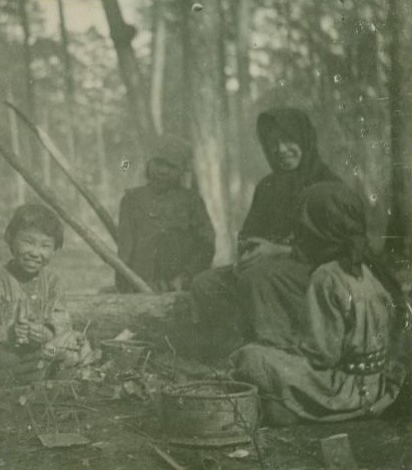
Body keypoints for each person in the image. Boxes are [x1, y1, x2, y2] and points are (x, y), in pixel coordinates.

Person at [231, 182, 409, 425]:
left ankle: (296, 409)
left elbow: (321, 356)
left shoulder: (325, 277)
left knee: (251, 357)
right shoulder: (370, 272)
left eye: (304, 230)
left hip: (343, 389)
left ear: (318, 231)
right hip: (376, 385)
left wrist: (286, 349)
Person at [184, 108, 340, 359]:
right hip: (265, 268)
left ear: (304, 139)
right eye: (273, 143)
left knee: (257, 278)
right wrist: (245, 254)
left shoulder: (327, 184)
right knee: (205, 283)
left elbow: (337, 248)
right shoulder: (268, 186)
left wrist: (280, 251)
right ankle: (231, 354)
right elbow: (250, 232)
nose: (281, 149)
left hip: (312, 271)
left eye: (288, 140)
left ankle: (277, 355)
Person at [0, 204, 93, 388]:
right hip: (2, 351)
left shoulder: (52, 283)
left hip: (41, 350)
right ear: (10, 239)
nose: (35, 253)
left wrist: (47, 332)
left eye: (45, 246)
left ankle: (27, 373)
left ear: (54, 250)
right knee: (5, 358)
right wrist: (8, 334)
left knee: (78, 345)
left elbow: (62, 321)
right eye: (28, 242)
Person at [115, 136, 215, 292]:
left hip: (180, 286)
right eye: (159, 163)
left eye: (171, 166)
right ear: (149, 163)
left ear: (181, 171)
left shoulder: (192, 201)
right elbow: (125, 250)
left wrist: (185, 277)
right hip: (140, 284)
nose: (162, 171)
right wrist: (125, 284)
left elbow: (206, 244)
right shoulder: (132, 200)